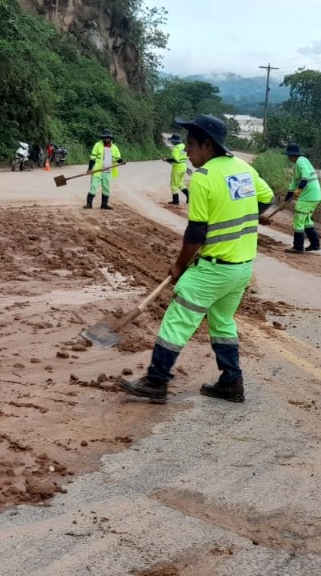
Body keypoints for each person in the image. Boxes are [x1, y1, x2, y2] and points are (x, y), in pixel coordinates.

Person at [119, 115, 274, 404]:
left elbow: (196, 232)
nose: (187, 151)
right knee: (223, 322)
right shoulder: (242, 167)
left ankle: (156, 382)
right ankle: (231, 382)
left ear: (207, 145)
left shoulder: (203, 178)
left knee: (177, 321)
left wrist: (179, 265)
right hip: (241, 269)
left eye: (191, 144)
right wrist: (236, 218)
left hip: (213, 270)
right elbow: (266, 199)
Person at [284, 143, 321, 253]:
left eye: (288, 155)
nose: (288, 158)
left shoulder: (301, 161)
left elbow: (306, 175)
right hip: (314, 196)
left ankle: (298, 247)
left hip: (308, 196)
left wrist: (300, 188)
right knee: (306, 221)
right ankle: (315, 244)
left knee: (298, 221)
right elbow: (292, 185)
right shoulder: (299, 164)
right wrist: (285, 201)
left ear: (291, 155)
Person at [85, 129, 124, 210]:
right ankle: (89, 204)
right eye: (105, 137)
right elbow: (92, 158)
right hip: (98, 170)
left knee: (106, 187)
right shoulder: (97, 145)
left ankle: (104, 205)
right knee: (93, 186)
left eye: (108, 138)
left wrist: (121, 161)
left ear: (110, 138)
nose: (106, 139)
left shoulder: (114, 148)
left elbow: (118, 158)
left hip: (108, 171)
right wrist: (89, 169)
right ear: (103, 138)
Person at [164, 134, 189, 205]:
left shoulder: (176, 148)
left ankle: (175, 201)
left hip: (177, 168)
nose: (172, 142)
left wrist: (167, 159)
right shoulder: (184, 146)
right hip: (183, 167)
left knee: (173, 185)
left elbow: (175, 160)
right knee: (180, 183)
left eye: (172, 141)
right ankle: (189, 197)